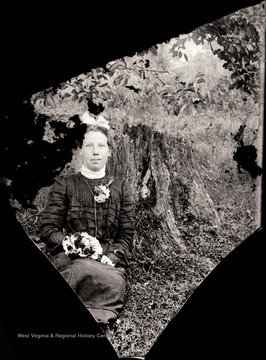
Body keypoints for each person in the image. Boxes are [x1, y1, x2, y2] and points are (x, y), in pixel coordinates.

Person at [39, 111, 135, 325]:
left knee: (110, 280)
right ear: (80, 150)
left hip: (106, 261)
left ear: (109, 151)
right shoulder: (64, 184)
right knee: (78, 270)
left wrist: (111, 256)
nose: (95, 152)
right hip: (71, 256)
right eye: (89, 146)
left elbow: (126, 233)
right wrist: (71, 243)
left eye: (101, 146)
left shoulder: (121, 187)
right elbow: (48, 228)